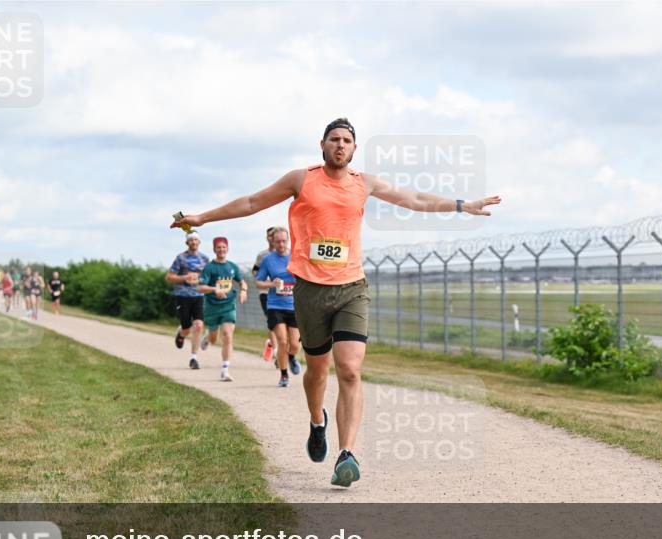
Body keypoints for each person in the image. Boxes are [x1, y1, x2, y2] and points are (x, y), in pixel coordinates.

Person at [172, 117, 501, 487]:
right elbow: (252, 202)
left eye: (347, 140)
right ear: (322, 145)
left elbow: (414, 198)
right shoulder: (301, 179)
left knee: (349, 369)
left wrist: (462, 205)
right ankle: (317, 422)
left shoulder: (365, 184)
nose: (340, 145)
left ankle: (346, 454)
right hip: (310, 289)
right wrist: (202, 216)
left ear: (355, 148)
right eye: (334, 139)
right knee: (316, 371)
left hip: (352, 288)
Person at [255, 228, 302, 387]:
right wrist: (271, 284)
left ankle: (291, 357)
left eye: (284, 241)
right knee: (282, 341)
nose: (281, 244)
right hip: (275, 305)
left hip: (294, 304)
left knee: (294, 344)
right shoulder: (268, 260)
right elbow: (259, 282)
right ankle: (283, 375)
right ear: (273, 242)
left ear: (288, 240)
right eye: (278, 241)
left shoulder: (296, 256)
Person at [196, 236, 247, 381]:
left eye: (224, 247)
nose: (221, 250)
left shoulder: (232, 267)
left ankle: (225, 370)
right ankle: (207, 338)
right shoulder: (209, 268)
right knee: (214, 339)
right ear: (214, 250)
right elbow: (200, 287)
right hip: (212, 307)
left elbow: (242, 282)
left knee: (227, 335)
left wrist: (243, 291)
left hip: (228, 305)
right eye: (218, 247)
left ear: (227, 249)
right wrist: (214, 290)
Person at [166, 232, 210, 369]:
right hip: (182, 296)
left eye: (196, 240)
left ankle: (193, 358)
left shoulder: (205, 259)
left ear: (199, 242)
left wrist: (202, 280)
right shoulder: (181, 258)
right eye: (191, 240)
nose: (194, 242)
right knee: (187, 328)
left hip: (198, 296)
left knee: (198, 325)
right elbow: (169, 277)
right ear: (187, 243)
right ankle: (181, 333)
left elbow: (208, 277)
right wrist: (185, 277)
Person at [252, 226, 280, 364]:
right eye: (269, 235)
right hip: (266, 292)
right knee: (272, 321)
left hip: (283, 293)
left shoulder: (286, 254)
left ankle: (271, 343)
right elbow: (255, 272)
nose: (272, 238)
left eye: (273, 235)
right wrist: (265, 278)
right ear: (267, 238)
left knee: (283, 323)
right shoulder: (262, 255)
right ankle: (276, 352)